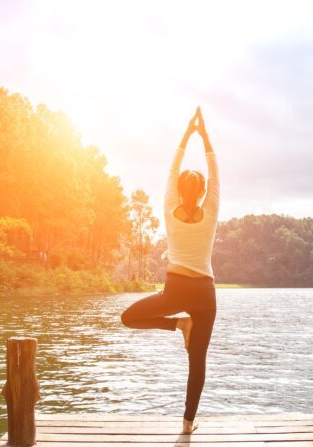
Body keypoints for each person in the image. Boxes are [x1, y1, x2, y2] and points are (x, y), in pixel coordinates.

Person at [120, 106, 219, 434]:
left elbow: (171, 169)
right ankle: (188, 424)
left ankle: (177, 323)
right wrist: (203, 137)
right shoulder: (211, 211)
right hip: (204, 292)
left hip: (175, 289)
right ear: (203, 192)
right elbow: (215, 171)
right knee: (198, 362)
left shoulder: (168, 207)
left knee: (128, 318)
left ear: (177, 190)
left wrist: (186, 135)